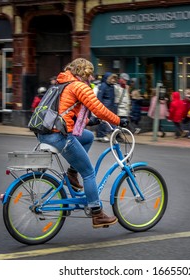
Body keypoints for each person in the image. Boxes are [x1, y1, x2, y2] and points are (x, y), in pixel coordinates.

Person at [36, 58, 127, 228]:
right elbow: (98, 108)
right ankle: (97, 213)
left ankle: (71, 173)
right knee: (89, 173)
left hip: (46, 133)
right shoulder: (79, 86)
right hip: (58, 136)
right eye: (90, 73)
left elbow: (64, 113)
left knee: (88, 137)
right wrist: (118, 120)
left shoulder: (62, 82)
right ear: (83, 72)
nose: (92, 77)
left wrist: (89, 122)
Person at [95, 72, 118, 142]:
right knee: (103, 122)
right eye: (112, 78)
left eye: (114, 78)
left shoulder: (112, 86)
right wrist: (100, 107)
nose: (113, 80)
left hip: (110, 107)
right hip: (104, 107)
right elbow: (99, 97)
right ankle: (101, 135)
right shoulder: (103, 86)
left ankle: (103, 134)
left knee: (108, 122)